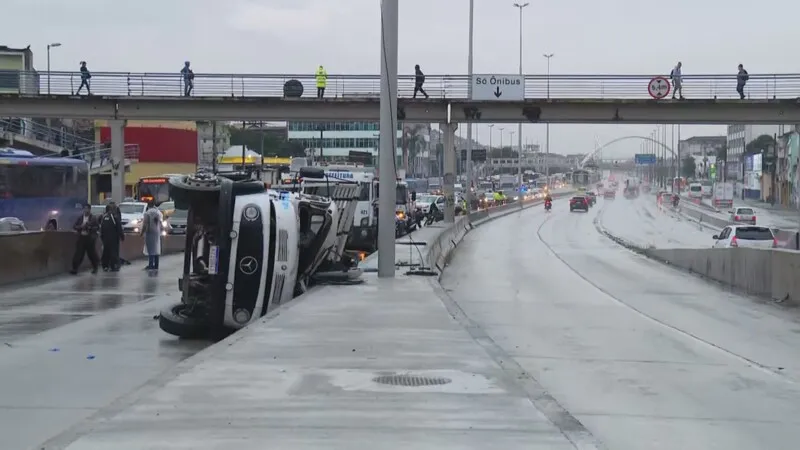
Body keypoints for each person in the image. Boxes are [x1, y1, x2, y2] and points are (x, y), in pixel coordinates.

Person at [70, 204, 100, 275]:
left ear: (89, 210)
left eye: (87, 209)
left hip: (90, 238)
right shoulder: (80, 218)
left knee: (92, 254)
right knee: (78, 254)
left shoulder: (93, 218)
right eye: (85, 209)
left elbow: (97, 227)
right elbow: (75, 226)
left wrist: (89, 228)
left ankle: (95, 267)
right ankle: (75, 268)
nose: (86, 210)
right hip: (81, 237)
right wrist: (81, 227)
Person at [141, 202, 166, 270]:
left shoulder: (147, 213)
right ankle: (156, 265)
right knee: (156, 248)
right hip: (157, 232)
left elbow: (145, 224)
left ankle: (151, 264)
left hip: (149, 232)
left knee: (150, 249)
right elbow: (161, 223)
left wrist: (142, 233)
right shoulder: (158, 213)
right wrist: (162, 230)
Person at [100, 203, 124, 271]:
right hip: (113, 238)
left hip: (105, 239)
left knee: (106, 252)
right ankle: (114, 265)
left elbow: (102, 228)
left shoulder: (104, 217)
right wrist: (122, 236)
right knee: (114, 252)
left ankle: (105, 266)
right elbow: (119, 228)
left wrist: (102, 237)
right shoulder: (114, 217)